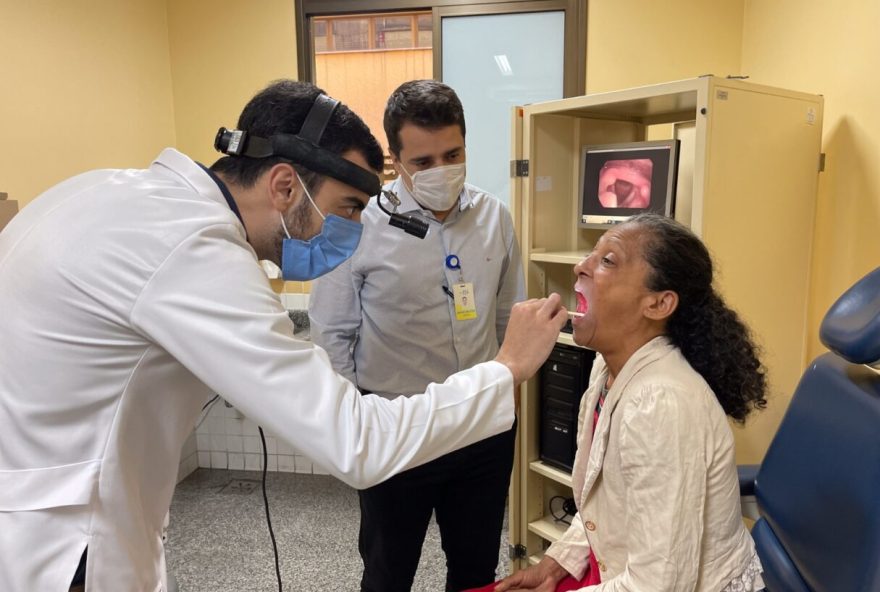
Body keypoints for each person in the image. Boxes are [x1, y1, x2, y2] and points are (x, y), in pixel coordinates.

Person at [0, 79, 568, 591]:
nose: (349, 231)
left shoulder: (112, 194)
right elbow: (356, 442)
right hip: (64, 547)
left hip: (48, 512)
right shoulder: (195, 251)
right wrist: (506, 370)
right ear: (283, 185)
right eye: (346, 208)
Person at [309, 79, 525, 592]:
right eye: (424, 162)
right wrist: (352, 425)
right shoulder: (357, 223)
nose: (440, 170)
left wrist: (502, 395)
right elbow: (333, 334)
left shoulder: (495, 218)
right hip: (395, 428)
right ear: (396, 161)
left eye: (452, 154)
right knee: (388, 571)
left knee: (476, 568)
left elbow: (505, 317)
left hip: (479, 428)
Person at [491, 213, 768, 592]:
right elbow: (604, 502)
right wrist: (556, 564)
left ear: (658, 304)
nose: (580, 266)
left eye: (607, 260)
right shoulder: (607, 368)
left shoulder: (660, 403)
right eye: (592, 254)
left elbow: (660, 585)